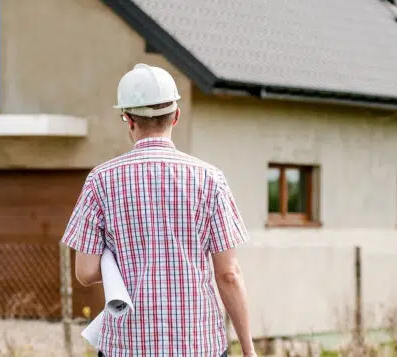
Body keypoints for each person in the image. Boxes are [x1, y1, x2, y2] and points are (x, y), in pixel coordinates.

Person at [60, 63, 257, 357]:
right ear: (176, 116)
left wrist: (124, 259)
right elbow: (228, 274)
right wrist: (248, 349)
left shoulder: (100, 181)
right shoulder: (210, 179)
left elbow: (86, 272)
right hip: (198, 345)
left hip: (127, 347)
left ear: (127, 119)